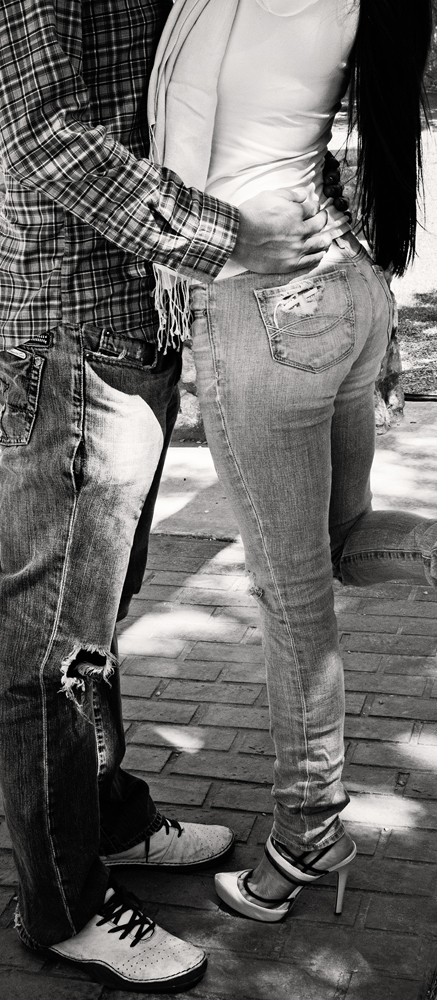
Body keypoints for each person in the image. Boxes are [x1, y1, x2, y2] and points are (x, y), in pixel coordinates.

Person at [148, 0, 437, 925]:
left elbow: (175, 146)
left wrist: (186, 282)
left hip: (256, 301)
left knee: (291, 599)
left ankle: (306, 833)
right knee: (342, 541)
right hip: (347, 281)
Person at [0, 0, 348, 993]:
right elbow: (44, 138)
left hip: (128, 323)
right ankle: (64, 906)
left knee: (94, 620)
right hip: (71, 330)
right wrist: (227, 235)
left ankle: (106, 821)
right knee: (49, 648)